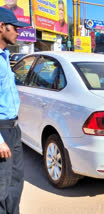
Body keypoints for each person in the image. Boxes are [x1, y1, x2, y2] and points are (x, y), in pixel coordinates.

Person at [0, 7, 29, 214]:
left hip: (13, 129)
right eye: (15, 28)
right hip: (1, 131)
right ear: (1, 26)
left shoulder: (4, 57)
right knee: (1, 187)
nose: (18, 32)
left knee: (16, 182)